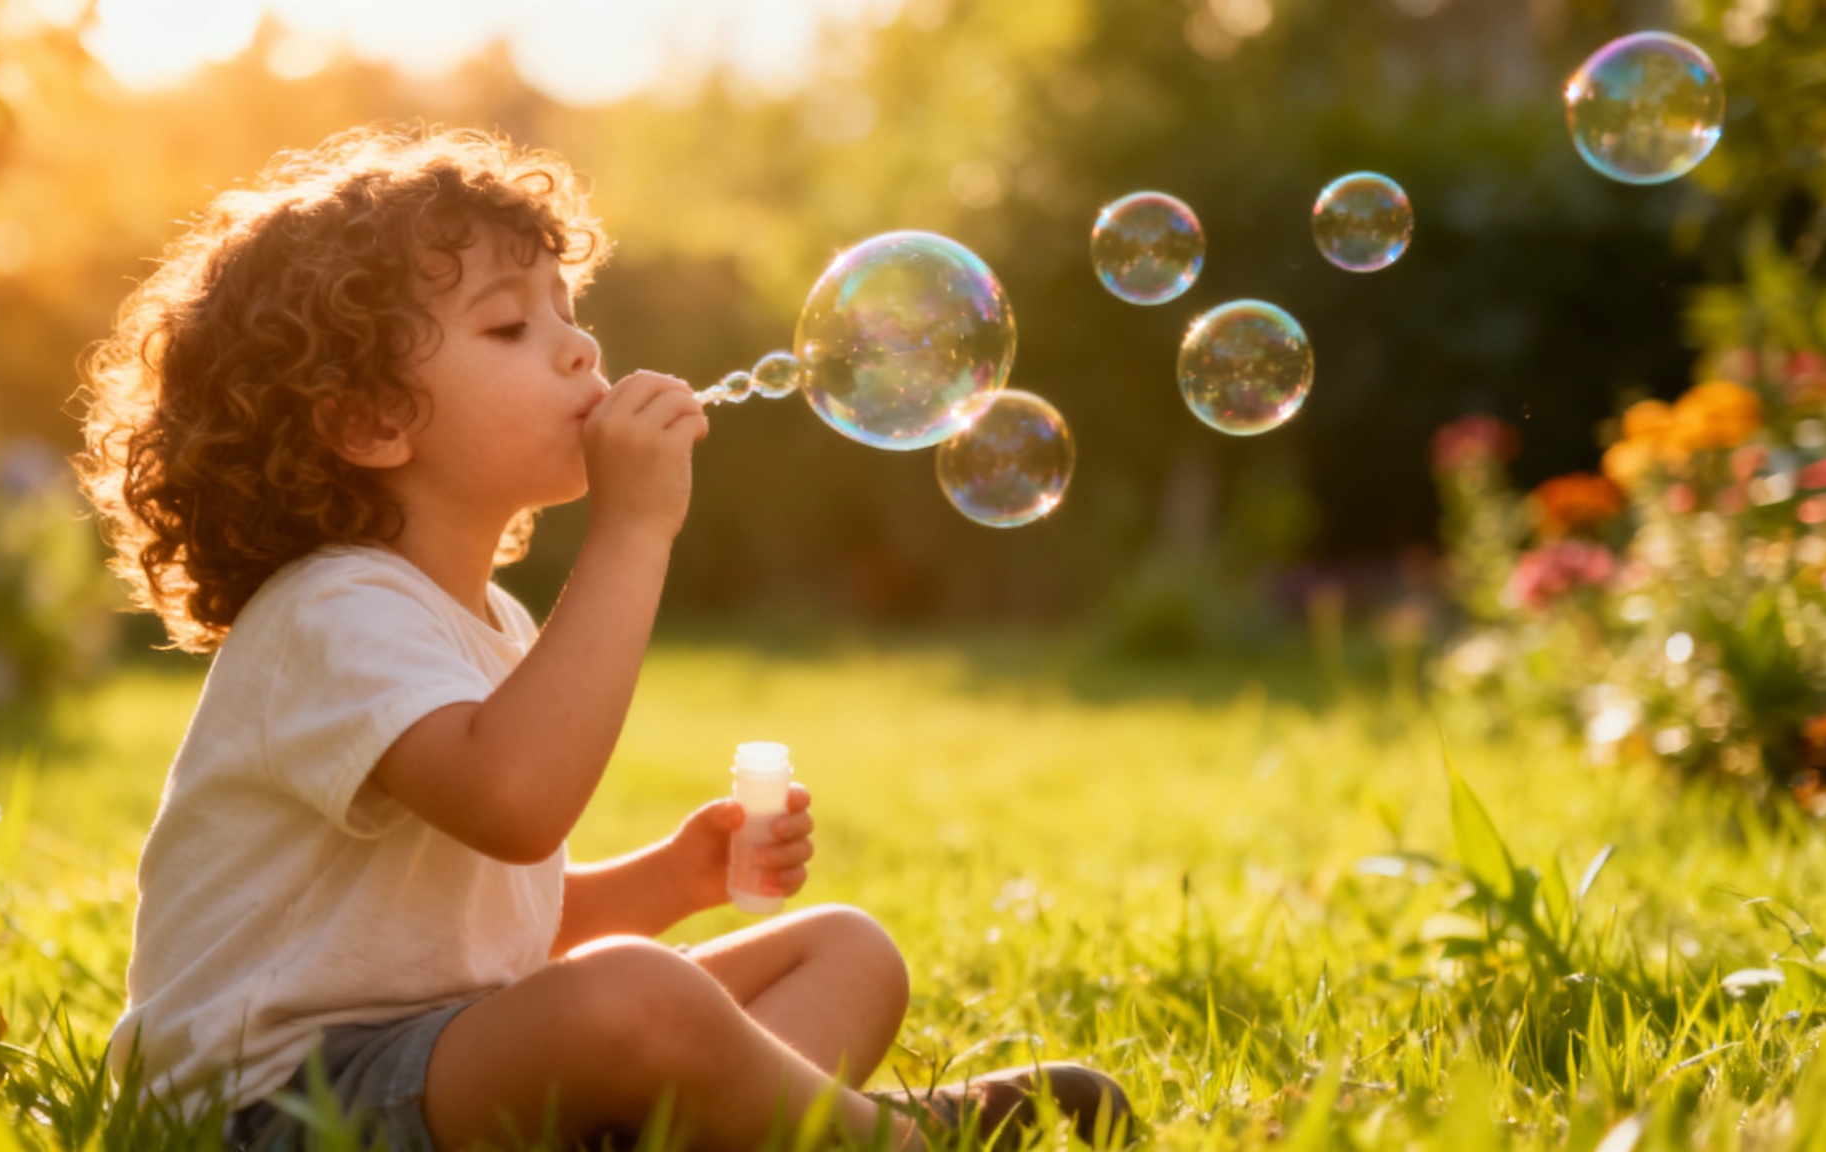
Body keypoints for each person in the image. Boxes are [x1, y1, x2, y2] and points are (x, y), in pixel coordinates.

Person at [79, 125, 1127, 1152]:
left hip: (439, 1070)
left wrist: (674, 877)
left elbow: (479, 934)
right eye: (507, 329)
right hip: (270, 1109)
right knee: (635, 999)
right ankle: (898, 1141)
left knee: (844, 951)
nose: (579, 346)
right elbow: (517, 804)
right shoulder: (329, 611)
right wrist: (634, 528)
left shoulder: (492, 622)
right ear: (365, 423)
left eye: (566, 313)